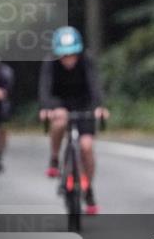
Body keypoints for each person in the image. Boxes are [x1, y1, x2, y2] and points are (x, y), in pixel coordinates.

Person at [38, 27, 109, 215]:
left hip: (84, 105)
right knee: (59, 123)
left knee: (86, 146)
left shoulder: (87, 60)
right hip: (59, 103)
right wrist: (47, 108)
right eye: (64, 55)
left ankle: (88, 188)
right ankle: (54, 158)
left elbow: (95, 86)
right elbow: (45, 89)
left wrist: (99, 107)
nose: (68, 59)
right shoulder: (50, 63)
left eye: (72, 54)